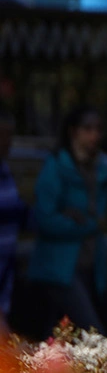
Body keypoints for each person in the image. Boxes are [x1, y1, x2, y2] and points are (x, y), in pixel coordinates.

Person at [25, 107, 107, 333]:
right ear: (73, 132)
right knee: (93, 334)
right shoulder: (56, 167)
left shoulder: (101, 170)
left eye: (98, 129)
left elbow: (103, 216)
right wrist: (85, 225)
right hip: (60, 267)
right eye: (88, 129)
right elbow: (45, 219)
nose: (94, 135)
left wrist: (84, 221)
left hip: (91, 262)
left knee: (58, 338)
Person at [0, 110, 23, 328]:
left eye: (10, 135)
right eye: (2, 135)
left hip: (5, 272)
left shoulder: (5, 171)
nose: (7, 142)